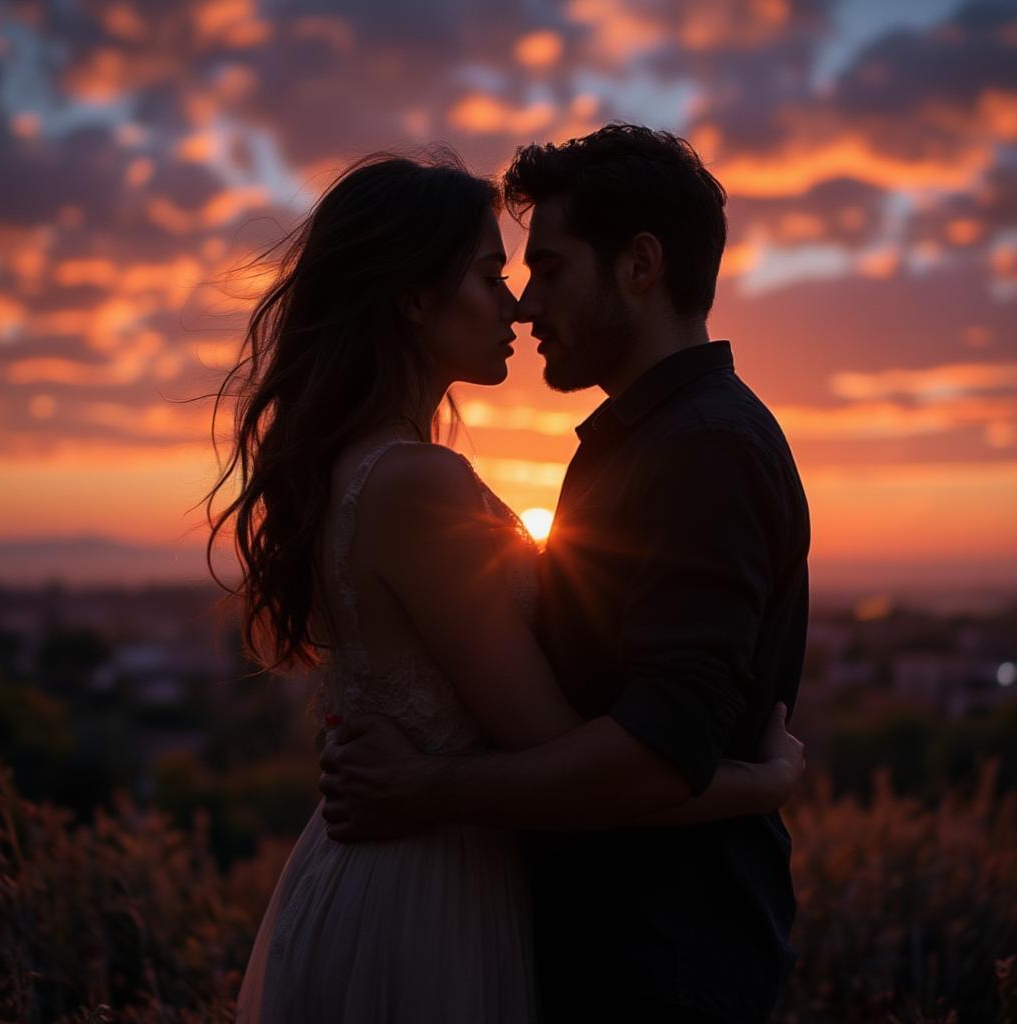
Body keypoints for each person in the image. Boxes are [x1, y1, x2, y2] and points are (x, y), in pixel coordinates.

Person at [208, 145, 804, 1023]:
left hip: (653, 953)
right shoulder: (425, 481)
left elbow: (651, 749)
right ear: (412, 299)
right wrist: (764, 783)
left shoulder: (696, 446)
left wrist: (424, 789)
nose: (521, 303)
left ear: (641, 265)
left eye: (543, 269)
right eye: (496, 276)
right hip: (441, 903)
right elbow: (561, 736)